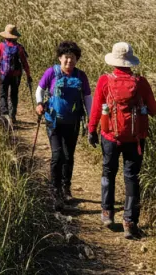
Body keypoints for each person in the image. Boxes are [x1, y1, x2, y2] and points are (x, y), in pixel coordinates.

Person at [87, 42, 156, 240]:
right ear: (130, 61)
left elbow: (96, 108)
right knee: (132, 177)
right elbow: (154, 110)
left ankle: (107, 212)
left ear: (114, 60)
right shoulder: (140, 82)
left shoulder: (105, 80)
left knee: (108, 171)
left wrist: (92, 129)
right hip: (135, 138)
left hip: (110, 135)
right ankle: (130, 222)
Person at [35, 41, 93, 209]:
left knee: (68, 156)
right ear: (60, 58)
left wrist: (91, 118)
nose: (69, 62)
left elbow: (87, 97)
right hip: (53, 120)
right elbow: (40, 89)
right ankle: (55, 188)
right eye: (66, 58)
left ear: (77, 59)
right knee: (57, 155)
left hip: (73, 121)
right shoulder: (51, 72)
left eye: (73, 58)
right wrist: (39, 103)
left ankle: (66, 188)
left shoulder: (81, 76)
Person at [0, 25, 32, 125]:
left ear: (5, 36)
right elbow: (25, 63)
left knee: (3, 94)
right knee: (14, 94)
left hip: (3, 74)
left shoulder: (1, 46)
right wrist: (28, 75)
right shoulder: (19, 48)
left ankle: (5, 115)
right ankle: (13, 115)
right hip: (16, 75)